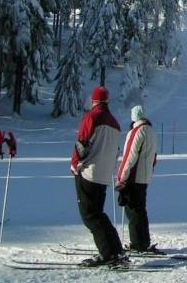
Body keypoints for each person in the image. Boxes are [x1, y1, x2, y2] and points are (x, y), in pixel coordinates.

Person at [70, 85, 124, 267]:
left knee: (90, 215)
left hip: (89, 171)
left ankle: (107, 252)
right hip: (104, 174)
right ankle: (116, 249)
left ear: (94, 101)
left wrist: (74, 163)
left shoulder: (92, 117)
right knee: (98, 213)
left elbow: (82, 144)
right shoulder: (115, 122)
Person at [116, 105, 158, 252]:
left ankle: (137, 243)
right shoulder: (151, 131)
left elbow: (129, 156)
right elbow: (154, 157)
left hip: (133, 176)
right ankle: (143, 241)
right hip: (144, 177)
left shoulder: (136, 131)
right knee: (140, 210)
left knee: (132, 210)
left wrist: (121, 177)